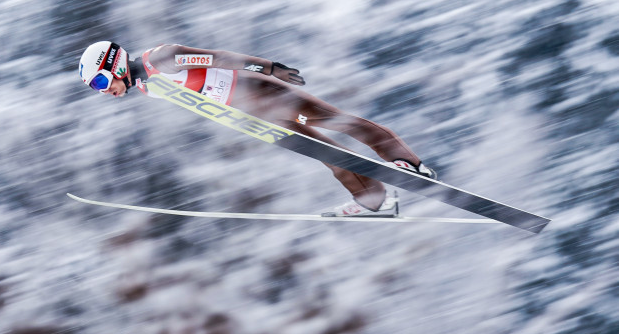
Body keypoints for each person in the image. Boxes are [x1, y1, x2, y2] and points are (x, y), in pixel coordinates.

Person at [78, 41, 436, 216]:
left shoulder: (159, 59)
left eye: (98, 82)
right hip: (251, 112)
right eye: (94, 88)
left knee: (335, 121)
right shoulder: (145, 84)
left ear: (113, 64)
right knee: (326, 154)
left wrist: (268, 68)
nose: (102, 91)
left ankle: (410, 163)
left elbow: (216, 58)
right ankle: (374, 200)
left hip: (260, 94)